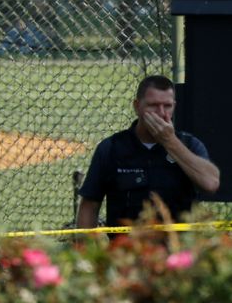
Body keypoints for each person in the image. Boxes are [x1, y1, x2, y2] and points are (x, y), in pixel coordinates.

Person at [76, 75, 220, 227]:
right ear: (137, 106)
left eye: (167, 106)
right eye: (153, 106)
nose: (161, 113)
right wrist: (88, 248)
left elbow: (211, 183)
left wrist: (170, 142)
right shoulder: (111, 148)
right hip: (126, 247)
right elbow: (90, 204)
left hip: (179, 247)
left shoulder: (189, 145)